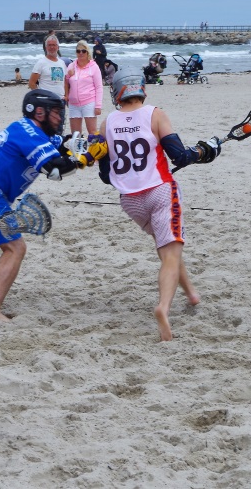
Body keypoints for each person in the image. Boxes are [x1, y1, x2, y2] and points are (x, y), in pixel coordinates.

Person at [96, 72, 217, 341]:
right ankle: (163, 308)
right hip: (160, 192)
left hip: (130, 202)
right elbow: (180, 157)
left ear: (117, 93)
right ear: (141, 89)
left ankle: (191, 294)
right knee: (170, 252)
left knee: (167, 246)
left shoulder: (107, 124)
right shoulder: (156, 114)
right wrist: (206, 150)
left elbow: (106, 175)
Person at [0, 89, 90, 320]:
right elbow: (54, 169)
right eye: (56, 112)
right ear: (39, 112)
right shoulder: (29, 131)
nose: (60, 118)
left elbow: (63, 146)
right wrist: (82, 159)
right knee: (15, 248)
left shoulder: (32, 132)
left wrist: (91, 145)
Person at [65, 40, 104, 135]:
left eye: (83, 51)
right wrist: (68, 77)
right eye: (78, 51)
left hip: (89, 102)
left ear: (87, 52)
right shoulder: (71, 66)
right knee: (75, 134)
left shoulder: (94, 67)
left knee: (92, 132)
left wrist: (98, 106)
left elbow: (99, 87)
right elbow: (66, 82)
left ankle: (94, 150)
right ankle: (78, 150)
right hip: (74, 104)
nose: (81, 53)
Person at [28, 35, 66, 100]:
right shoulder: (41, 63)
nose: (52, 47)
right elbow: (31, 83)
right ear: (46, 47)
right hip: (45, 101)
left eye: (54, 45)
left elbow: (65, 81)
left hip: (60, 100)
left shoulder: (62, 63)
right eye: (49, 45)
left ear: (58, 47)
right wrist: (40, 95)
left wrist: (66, 96)